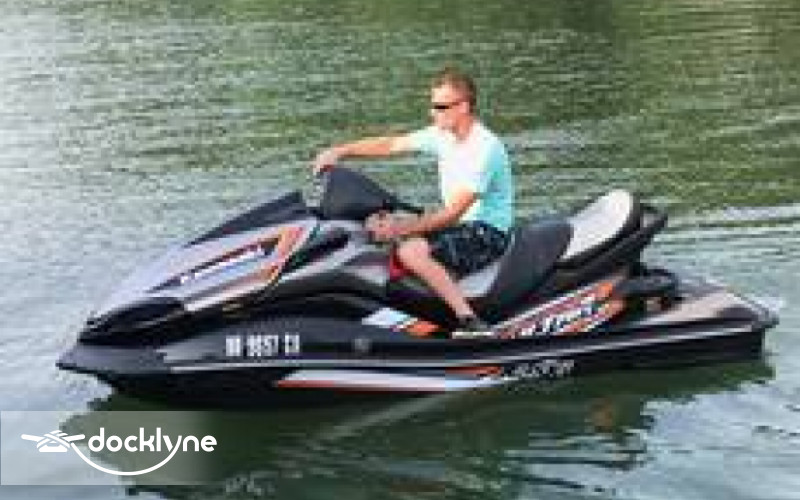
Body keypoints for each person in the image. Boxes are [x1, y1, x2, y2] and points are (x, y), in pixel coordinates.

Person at [312, 67, 514, 334]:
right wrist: (340, 151)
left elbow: (453, 214)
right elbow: (391, 144)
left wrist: (400, 229)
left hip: (487, 232)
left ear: (463, 107)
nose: (433, 112)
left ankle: (468, 320)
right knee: (374, 223)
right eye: (432, 106)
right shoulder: (443, 135)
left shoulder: (484, 148)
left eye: (440, 107)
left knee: (410, 251)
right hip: (460, 225)